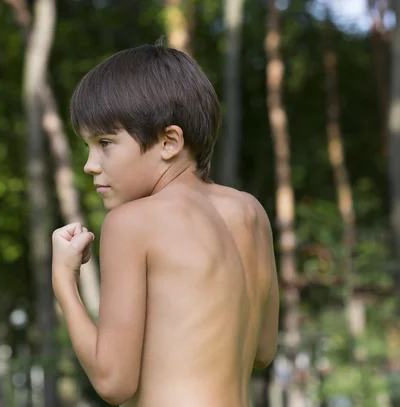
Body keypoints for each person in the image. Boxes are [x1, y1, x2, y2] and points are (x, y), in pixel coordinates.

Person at [51, 44, 279, 407]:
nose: (90, 165)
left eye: (105, 142)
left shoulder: (132, 222)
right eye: (87, 146)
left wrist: (64, 281)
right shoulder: (250, 212)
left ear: (169, 142)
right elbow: (263, 350)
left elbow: (114, 382)